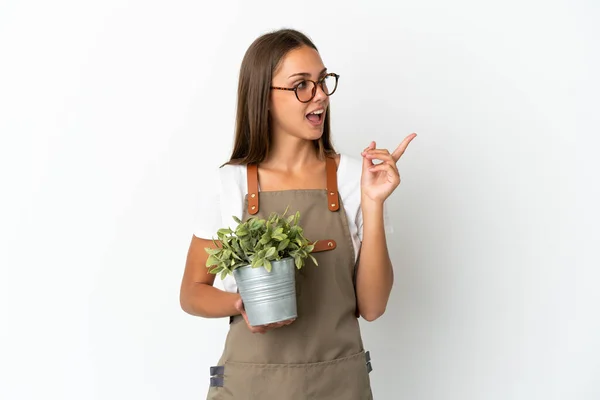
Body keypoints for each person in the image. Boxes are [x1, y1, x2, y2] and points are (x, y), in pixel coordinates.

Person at [180, 28, 416, 400]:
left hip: (339, 386)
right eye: (302, 85)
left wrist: (374, 202)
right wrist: (239, 304)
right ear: (265, 98)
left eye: (322, 81)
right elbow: (192, 292)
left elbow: (372, 307)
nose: (320, 94)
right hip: (248, 388)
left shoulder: (356, 178)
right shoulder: (230, 184)